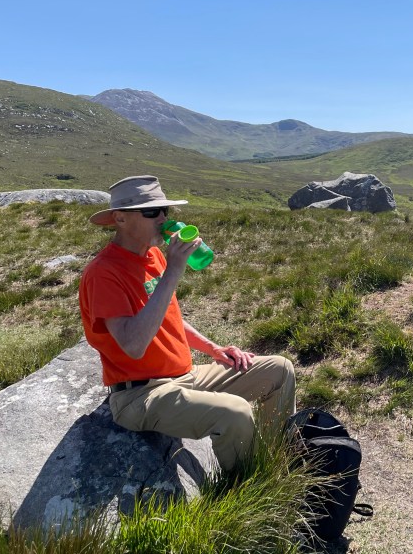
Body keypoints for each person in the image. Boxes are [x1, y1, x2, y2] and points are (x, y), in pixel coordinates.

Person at [79, 175, 296, 471]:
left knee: (279, 369)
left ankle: (277, 460)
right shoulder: (103, 273)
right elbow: (133, 345)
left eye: (165, 210)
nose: (163, 218)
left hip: (184, 375)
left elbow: (167, 318)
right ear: (120, 218)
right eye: (152, 211)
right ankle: (254, 484)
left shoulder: (154, 256)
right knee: (234, 412)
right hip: (141, 394)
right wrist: (173, 270)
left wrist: (215, 349)